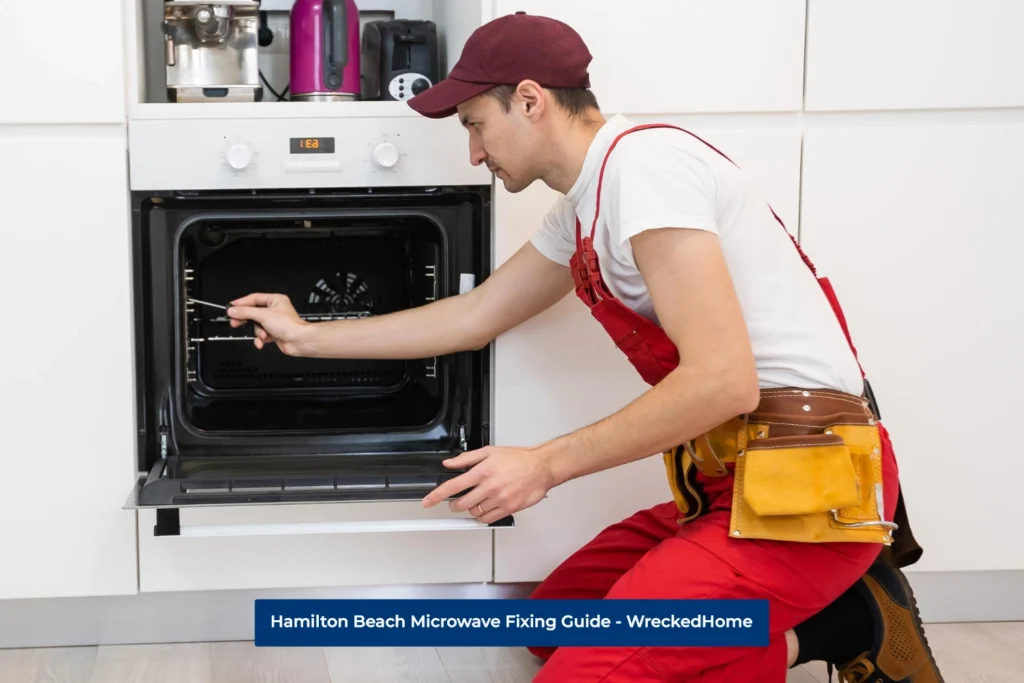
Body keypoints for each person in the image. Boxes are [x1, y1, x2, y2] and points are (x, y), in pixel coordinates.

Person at [225, 12, 944, 683]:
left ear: (531, 100)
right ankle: (836, 618)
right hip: (727, 481)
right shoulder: (584, 202)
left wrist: (542, 464)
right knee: (549, 623)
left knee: (584, 670)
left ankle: (836, 623)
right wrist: (308, 336)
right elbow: (476, 314)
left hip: (807, 489)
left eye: (476, 125)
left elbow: (725, 380)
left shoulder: (648, 168)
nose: (473, 152)